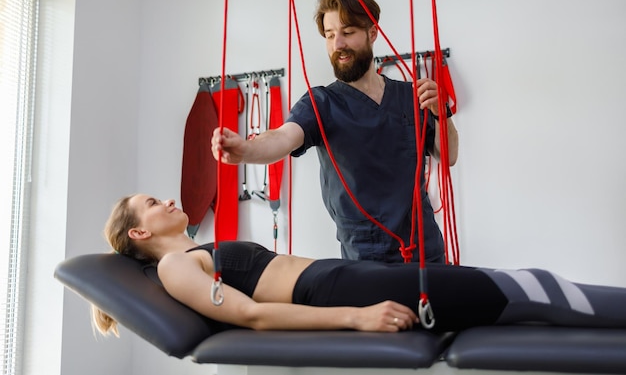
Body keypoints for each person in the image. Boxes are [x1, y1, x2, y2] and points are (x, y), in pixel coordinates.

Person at [93, 194, 626, 336]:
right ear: (140, 232)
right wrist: (358, 316)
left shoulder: (192, 252)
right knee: (527, 291)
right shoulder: (173, 268)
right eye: (152, 203)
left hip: (342, 277)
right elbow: (250, 315)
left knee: (522, 291)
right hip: (335, 291)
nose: (166, 201)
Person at [211, 0, 459, 264]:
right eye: (329, 36)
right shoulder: (321, 103)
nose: (337, 43)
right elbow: (282, 138)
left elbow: (448, 156)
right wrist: (246, 150)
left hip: (427, 252)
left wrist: (442, 114)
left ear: (372, 33)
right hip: (365, 260)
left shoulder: (410, 96)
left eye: (348, 32)